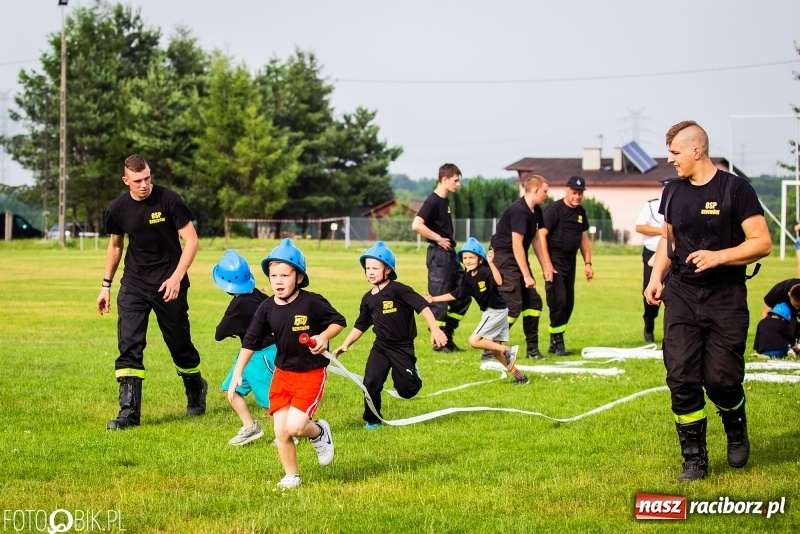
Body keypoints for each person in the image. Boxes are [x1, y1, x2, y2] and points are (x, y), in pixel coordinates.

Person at [644, 120, 771, 481]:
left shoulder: (735, 189)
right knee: (681, 377)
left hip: (725, 295)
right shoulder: (672, 191)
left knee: (721, 380)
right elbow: (668, 240)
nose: (671, 159)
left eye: (675, 152)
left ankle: (735, 426)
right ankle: (694, 459)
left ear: (697, 150)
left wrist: (719, 256)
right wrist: (656, 277)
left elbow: (762, 242)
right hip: (682, 292)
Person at [97, 154, 207, 430]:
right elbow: (115, 246)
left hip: (169, 283)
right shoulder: (118, 208)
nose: (144, 184)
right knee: (129, 344)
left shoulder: (169, 200)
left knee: (179, 344)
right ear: (126, 180)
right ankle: (129, 412)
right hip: (134, 283)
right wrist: (105, 286)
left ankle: (195, 387)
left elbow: (192, 241)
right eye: (137, 180)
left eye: (147, 177)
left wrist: (176, 278)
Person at [230, 238, 346, 490]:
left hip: (311, 373)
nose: (278, 281)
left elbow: (338, 321)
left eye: (285, 275)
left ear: (299, 278)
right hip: (282, 374)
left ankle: (319, 432)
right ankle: (292, 475)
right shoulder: (266, 307)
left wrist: (324, 337)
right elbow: (250, 340)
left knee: (295, 427)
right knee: (281, 430)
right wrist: (237, 373)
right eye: (273, 276)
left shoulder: (312, 301)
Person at [332, 241, 448, 429]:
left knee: (407, 391)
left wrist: (435, 328)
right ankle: (373, 420)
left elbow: (422, 306)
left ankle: (413, 375)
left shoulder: (399, 289)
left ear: (387, 269)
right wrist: (345, 344)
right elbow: (361, 325)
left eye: (375, 268)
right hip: (381, 346)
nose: (370, 272)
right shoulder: (368, 298)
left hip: (402, 347)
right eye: (367, 268)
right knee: (370, 382)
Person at [426, 237, 530, 385]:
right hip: (496, 311)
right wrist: (433, 299)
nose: (468, 261)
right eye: (465, 258)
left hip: (495, 312)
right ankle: (520, 376)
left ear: (480, 259)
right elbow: (457, 294)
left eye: (471, 257)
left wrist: (491, 263)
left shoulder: (485, 271)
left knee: (474, 341)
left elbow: (499, 281)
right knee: (494, 351)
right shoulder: (468, 276)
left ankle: (508, 349)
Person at [213, 250, 277, 446]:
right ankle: (250, 427)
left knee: (268, 401)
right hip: (249, 355)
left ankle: (286, 435)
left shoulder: (237, 305)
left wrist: (232, 330)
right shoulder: (257, 294)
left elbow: (219, 333)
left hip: (261, 355)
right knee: (230, 389)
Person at [488, 174, 552, 360]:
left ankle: (532, 350)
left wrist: (545, 266)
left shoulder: (536, 210)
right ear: (535, 191)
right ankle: (489, 347)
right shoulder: (519, 211)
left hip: (516, 257)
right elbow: (516, 245)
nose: (547, 194)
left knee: (533, 303)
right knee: (513, 306)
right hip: (504, 259)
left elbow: (536, 239)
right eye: (545, 191)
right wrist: (526, 275)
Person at [411, 163, 471, 353]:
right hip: (439, 256)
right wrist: (437, 238)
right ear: (444, 179)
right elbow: (416, 224)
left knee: (463, 293)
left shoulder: (444, 201)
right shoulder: (433, 201)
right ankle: (439, 343)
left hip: (450, 255)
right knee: (439, 299)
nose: (458, 184)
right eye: (455, 180)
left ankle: (448, 337)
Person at [537, 175, 594, 356]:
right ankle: (557, 342)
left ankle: (555, 341)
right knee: (558, 301)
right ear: (566, 190)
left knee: (568, 303)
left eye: (580, 193)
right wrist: (547, 264)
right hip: (555, 260)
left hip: (571, 261)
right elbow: (541, 235)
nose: (577, 196)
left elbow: (583, 239)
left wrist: (588, 263)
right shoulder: (554, 209)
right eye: (574, 193)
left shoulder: (580, 212)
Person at [634, 179, 671, 343]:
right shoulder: (651, 205)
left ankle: (671, 331)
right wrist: (662, 231)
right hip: (652, 253)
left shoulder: (680, 205)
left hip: (672, 254)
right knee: (651, 292)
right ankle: (649, 326)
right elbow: (640, 227)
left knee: (673, 293)